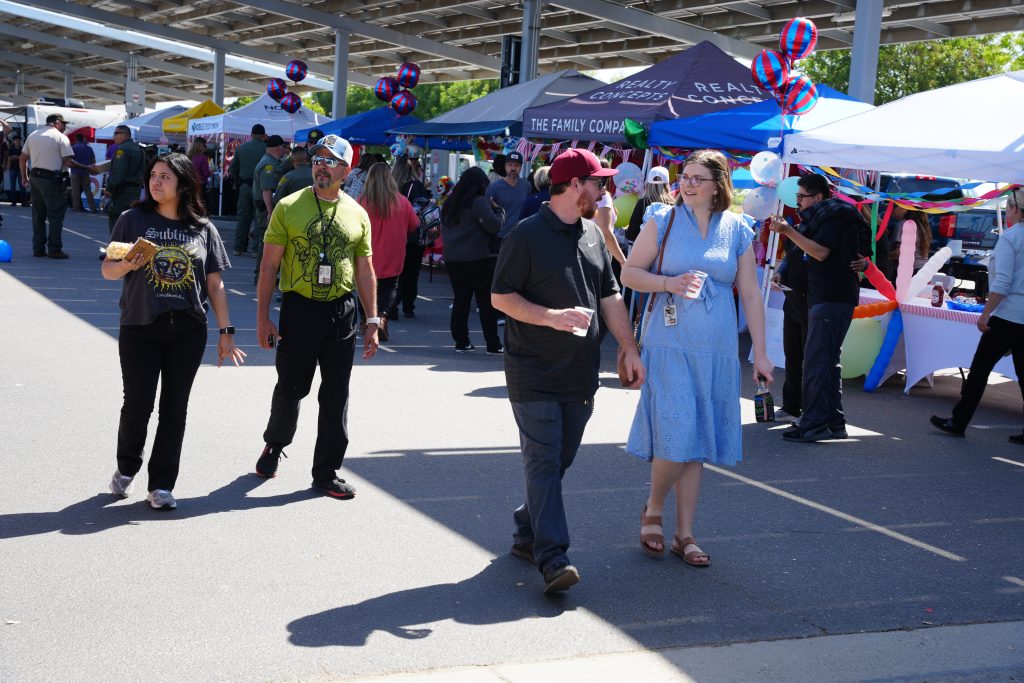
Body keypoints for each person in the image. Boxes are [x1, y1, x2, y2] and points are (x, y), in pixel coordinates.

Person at [491, 148, 644, 595]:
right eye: (599, 183)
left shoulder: (595, 236)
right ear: (575, 185)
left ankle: (527, 527)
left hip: (579, 373)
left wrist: (629, 348)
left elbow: (610, 296)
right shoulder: (525, 235)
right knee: (542, 459)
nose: (605, 191)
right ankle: (552, 557)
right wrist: (550, 317)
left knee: (559, 461)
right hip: (532, 370)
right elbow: (501, 297)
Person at [622, 149, 772, 566]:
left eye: (697, 178)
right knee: (680, 427)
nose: (687, 184)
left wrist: (761, 352)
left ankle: (685, 534)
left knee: (699, 438)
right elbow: (629, 274)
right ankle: (653, 508)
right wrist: (669, 282)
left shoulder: (738, 228)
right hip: (668, 343)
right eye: (684, 176)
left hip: (718, 349)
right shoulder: (662, 219)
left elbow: (752, 295)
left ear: (718, 184)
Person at [102, 152, 244, 510]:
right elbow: (108, 269)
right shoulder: (132, 220)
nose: (156, 181)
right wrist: (127, 264)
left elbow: (215, 284)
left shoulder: (203, 228)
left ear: (183, 183)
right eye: (153, 175)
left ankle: (162, 485)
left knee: (174, 408)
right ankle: (126, 468)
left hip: (187, 329)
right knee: (137, 405)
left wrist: (226, 330)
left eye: (165, 176)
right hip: (140, 325)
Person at [253, 134, 380, 500]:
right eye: (317, 160)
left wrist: (372, 321)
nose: (320, 166)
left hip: (341, 311)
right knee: (291, 388)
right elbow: (268, 266)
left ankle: (326, 472)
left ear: (346, 169)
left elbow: (365, 269)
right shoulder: (289, 206)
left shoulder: (357, 213)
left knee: (336, 394)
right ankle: (274, 445)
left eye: (329, 161)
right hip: (300, 309)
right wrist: (263, 318)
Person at [768, 173, 865, 442]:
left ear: (818, 197)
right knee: (827, 363)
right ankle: (834, 423)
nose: (797, 201)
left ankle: (813, 424)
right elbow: (800, 253)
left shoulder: (833, 217)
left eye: (801, 197)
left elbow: (820, 252)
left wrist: (788, 231)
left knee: (816, 363)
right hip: (824, 297)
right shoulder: (827, 216)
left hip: (831, 297)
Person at [931, 188, 1024, 444]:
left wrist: (985, 313)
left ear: (1015, 209)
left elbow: (1003, 282)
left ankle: (959, 421)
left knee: (980, 369)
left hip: (1007, 317)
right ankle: (958, 420)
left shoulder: (1011, 238)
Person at [440, 166, 504, 354]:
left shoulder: (449, 203)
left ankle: (461, 341)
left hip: (453, 259)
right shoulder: (479, 202)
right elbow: (493, 226)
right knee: (485, 302)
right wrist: (499, 210)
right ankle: (492, 344)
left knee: (461, 299)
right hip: (478, 258)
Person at [358, 162, 419, 341]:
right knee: (389, 287)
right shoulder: (402, 202)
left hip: (366, 253)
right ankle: (383, 316)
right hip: (393, 253)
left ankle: (365, 321)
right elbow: (414, 226)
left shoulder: (361, 201)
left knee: (364, 287)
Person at [20, 113, 93, 258]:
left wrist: (25, 177)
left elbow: (23, 158)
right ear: (56, 123)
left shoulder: (33, 135)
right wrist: (87, 168)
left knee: (38, 215)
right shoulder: (60, 137)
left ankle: (38, 249)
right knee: (55, 215)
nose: (65, 127)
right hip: (52, 180)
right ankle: (54, 249)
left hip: (35, 178)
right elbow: (68, 162)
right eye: (64, 124)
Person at [772, 220, 810, 420]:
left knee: (810, 360)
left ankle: (809, 410)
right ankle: (791, 406)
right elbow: (789, 256)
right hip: (792, 302)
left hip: (812, 303)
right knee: (792, 355)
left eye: (802, 197)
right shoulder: (796, 226)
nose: (799, 202)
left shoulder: (820, 228)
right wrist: (780, 273)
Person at [392, 154, 429, 319]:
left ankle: (391, 305)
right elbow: (421, 211)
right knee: (411, 273)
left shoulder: (389, 187)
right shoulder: (416, 186)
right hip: (412, 237)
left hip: (392, 235)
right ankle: (407, 305)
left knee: (393, 273)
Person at [252, 134, 289, 282]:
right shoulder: (269, 164)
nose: (284, 151)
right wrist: (270, 212)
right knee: (265, 242)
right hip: (266, 208)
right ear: (279, 147)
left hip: (264, 208)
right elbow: (267, 190)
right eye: (283, 147)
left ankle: (262, 276)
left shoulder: (270, 161)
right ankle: (261, 276)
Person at [228, 123, 267, 256]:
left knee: (243, 217)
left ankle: (238, 247)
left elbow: (232, 169)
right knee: (259, 217)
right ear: (263, 135)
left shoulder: (241, 148)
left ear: (251, 134)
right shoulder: (266, 148)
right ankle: (256, 248)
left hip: (245, 186)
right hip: (262, 187)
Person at [105, 125, 146, 232]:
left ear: (125, 135)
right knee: (131, 224)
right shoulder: (140, 149)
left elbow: (118, 173)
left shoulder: (122, 150)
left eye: (116, 133)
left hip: (122, 193)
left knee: (117, 223)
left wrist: (109, 189)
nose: (114, 136)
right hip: (135, 191)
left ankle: (116, 248)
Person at [486, 150, 531, 243]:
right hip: (500, 237)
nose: (513, 168)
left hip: (521, 236)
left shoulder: (527, 186)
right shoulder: (494, 188)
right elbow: (487, 213)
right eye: (510, 165)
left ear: (521, 167)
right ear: (505, 166)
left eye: (516, 165)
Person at [594, 158, 627, 278]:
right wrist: (623, 261)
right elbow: (605, 233)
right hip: (599, 253)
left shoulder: (600, 196)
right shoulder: (603, 197)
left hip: (594, 252)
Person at [626, 167, 673, 244]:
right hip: (668, 252)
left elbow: (631, 235)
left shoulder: (642, 203)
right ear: (667, 184)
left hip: (646, 251)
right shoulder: (674, 205)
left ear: (648, 184)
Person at [70, 134, 96, 212]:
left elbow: (70, 160)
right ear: (83, 138)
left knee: (76, 191)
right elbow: (93, 161)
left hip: (75, 172)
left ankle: (77, 207)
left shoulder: (73, 148)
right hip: (86, 172)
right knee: (88, 191)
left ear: (76, 139)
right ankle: (93, 208)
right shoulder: (89, 148)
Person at [8, 133, 27, 207]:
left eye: (19, 140)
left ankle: (23, 202)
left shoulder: (23, 149)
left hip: (21, 169)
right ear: (14, 141)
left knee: (22, 186)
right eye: (17, 140)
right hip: (12, 169)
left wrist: (15, 157)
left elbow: (25, 158)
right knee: (12, 186)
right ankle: (13, 202)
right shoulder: (11, 149)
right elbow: (9, 158)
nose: (18, 141)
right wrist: (18, 157)